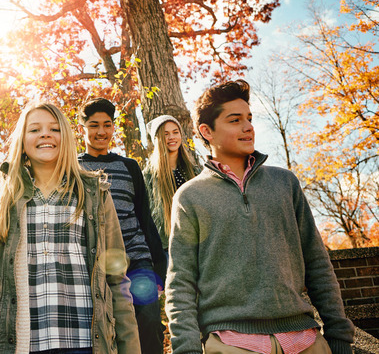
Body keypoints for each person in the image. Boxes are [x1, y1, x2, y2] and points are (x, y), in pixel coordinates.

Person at [165, 80, 355, 354]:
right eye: (234, 120)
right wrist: (187, 349)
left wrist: (338, 335)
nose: (247, 127)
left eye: (249, 118)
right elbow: (180, 281)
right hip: (231, 342)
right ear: (207, 131)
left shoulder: (285, 183)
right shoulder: (190, 196)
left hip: (305, 340)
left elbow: (317, 262)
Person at [0, 102, 140, 353]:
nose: (45, 134)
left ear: (66, 137)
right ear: (22, 141)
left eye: (54, 128)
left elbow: (116, 279)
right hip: (20, 342)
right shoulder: (0, 199)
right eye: (34, 130)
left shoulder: (93, 194)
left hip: (85, 342)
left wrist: (130, 348)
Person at [77, 98, 166, 354]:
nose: (101, 132)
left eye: (107, 125)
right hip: (95, 260)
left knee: (148, 322)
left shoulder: (129, 167)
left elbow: (144, 217)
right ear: (82, 127)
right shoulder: (74, 167)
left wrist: (158, 265)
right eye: (94, 125)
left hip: (136, 259)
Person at [143, 114, 198, 255]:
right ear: (158, 140)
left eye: (175, 132)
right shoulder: (148, 176)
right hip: (167, 248)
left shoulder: (194, 171)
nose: (172, 137)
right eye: (166, 134)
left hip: (197, 244)